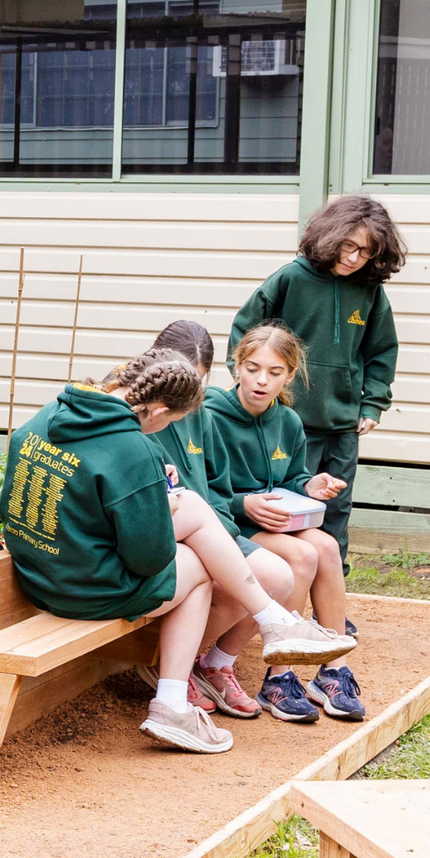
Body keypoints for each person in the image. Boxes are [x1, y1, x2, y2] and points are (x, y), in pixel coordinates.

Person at [0, 348, 357, 754]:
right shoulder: (133, 449)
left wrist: (150, 496)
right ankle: (181, 695)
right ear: (159, 411)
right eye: (172, 421)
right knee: (199, 565)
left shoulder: (49, 416)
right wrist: (154, 507)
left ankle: (268, 622)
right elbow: (147, 560)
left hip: (39, 570)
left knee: (188, 511)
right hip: (82, 589)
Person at [230, 195, 405, 573]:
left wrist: (372, 403)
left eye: (367, 252)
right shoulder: (292, 278)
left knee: (336, 508)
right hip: (291, 421)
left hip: (343, 422)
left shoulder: (370, 291)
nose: (355, 258)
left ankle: (331, 596)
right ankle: (288, 589)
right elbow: (246, 330)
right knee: (292, 506)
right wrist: (255, 391)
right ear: (330, 236)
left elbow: (382, 349)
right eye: (349, 245)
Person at [136, 321, 298, 721]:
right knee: (208, 577)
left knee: (279, 577)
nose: (188, 395)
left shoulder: (201, 414)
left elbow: (219, 490)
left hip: (211, 532)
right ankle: (174, 667)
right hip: (172, 536)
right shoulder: (141, 417)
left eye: (198, 382)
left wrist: (220, 534)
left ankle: (212, 663)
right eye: (182, 381)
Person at [206, 325, 366, 722]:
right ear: (237, 367)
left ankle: (333, 669)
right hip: (232, 522)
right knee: (301, 556)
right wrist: (245, 503)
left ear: (290, 375)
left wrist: (311, 484)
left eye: (275, 372)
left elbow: (292, 478)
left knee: (327, 546)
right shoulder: (211, 418)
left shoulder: (289, 421)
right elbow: (204, 491)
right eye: (253, 368)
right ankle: (280, 676)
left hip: (277, 518)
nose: (262, 380)